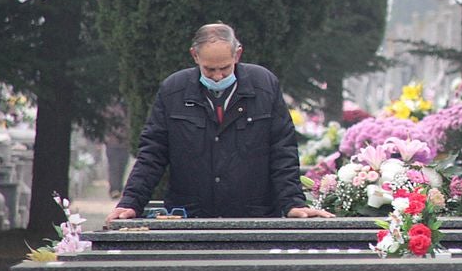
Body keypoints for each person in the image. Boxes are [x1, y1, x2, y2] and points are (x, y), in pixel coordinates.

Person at [105, 23, 333, 222]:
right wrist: (131, 202)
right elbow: (152, 153)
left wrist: (293, 203)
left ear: (238, 55)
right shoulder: (173, 90)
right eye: (209, 69)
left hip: (255, 215)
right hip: (188, 215)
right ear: (195, 56)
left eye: (224, 68)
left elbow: (282, 150)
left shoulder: (264, 86)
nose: (217, 76)